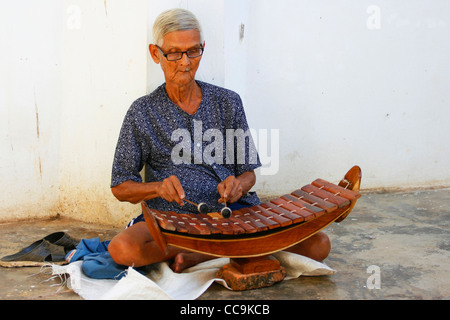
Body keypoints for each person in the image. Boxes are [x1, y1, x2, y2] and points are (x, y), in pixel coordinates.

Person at [107, 8, 330, 273]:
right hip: (175, 220)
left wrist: (238, 185)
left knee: (318, 245)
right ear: (156, 53)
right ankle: (227, 250)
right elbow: (120, 186)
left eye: (193, 51)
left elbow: (248, 174)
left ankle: (201, 255)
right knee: (123, 249)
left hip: (231, 214)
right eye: (174, 53)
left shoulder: (228, 102)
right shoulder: (142, 112)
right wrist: (156, 188)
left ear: (202, 49)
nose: (185, 62)